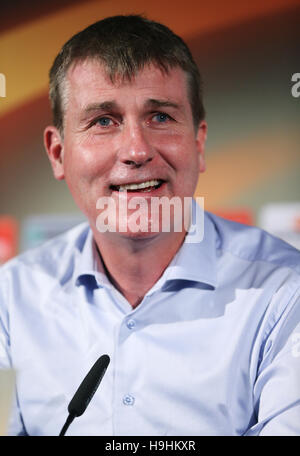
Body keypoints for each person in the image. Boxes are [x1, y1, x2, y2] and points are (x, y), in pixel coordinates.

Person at [0, 15, 299, 437]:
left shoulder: (288, 293)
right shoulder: (9, 302)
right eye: (103, 121)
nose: (137, 150)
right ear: (57, 152)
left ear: (198, 143)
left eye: (160, 116)